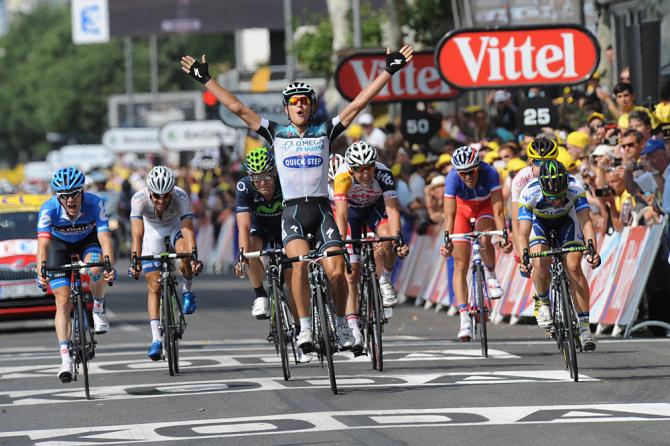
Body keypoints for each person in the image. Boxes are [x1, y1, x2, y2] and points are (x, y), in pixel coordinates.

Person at [181, 45, 414, 353]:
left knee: (336, 271)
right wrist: (206, 80)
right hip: (292, 213)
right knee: (299, 267)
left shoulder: (324, 131)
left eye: (304, 102)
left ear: (311, 106)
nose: (300, 106)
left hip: (321, 211)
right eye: (294, 103)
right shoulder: (276, 133)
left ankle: (343, 324)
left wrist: (389, 70)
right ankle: (305, 326)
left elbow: (358, 103)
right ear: (286, 109)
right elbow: (238, 108)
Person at [36, 167, 117, 383]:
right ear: (57, 197)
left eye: (74, 194)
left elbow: (105, 237)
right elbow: (43, 246)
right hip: (58, 246)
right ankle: (65, 360)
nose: (70, 200)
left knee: (96, 269)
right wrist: (41, 270)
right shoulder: (48, 209)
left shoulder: (95, 203)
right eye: (64, 196)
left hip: (87, 241)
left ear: (82, 192)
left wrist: (109, 264)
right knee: (62, 301)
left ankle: (98, 309)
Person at [333, 141, 410, 352]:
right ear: (351, 168)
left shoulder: (384, 174)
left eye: (369, 167)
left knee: (388, 238)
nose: (365, 173)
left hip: (375, 210)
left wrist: (398, 239)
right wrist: (341, 241)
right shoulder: (342, 177)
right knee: (352, 273)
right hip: (353, 215)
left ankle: (385, 278)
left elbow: (393, 210)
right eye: (359, 169)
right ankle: (353, 327)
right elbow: (341, 214)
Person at [517, 160, 601, 351]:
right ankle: (544, 302)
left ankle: (585, 328)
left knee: (573, 266)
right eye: (551, 196)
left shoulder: (575, 188)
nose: (555, 201)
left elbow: (586, 223)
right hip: (540, 223)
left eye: (559, 196)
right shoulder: (529, 193)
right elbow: (522, 233)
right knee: (539, 259)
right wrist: (524, 257)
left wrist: (592, 251)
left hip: (567, 221)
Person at [127, 166, 202, 361]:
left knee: (185, 253)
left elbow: (188, 231)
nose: (161, 201)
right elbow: (137, 234)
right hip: (151, 233)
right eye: (157, 196)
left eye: (166, 196)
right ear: (150, 192)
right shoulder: (138, 199)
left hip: (174, 228)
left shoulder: (181, 197)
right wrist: (135, 260)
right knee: (154, 285)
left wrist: (193, 255)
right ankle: (156, 340)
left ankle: (187, 290)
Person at [439, 145, 513, 341]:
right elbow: (449, 214)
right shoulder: (452, 178)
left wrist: (503, 235)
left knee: (484, 236)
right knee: (460, 264)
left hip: (486, 208)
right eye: (463, 173)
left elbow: (498, 211)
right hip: (462, 211)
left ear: (478, 167)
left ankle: (490, 274)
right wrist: (447, 239)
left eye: (470, 172)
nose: (467, 177)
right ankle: (464, 318)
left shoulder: (490, 173)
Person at [233, 147, 285, 319]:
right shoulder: (244, 186)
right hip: (259, 227)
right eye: (256, 177)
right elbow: (244, 227)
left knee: (293, 279)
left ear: (274, 172)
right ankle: (260, 295)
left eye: (266, 176)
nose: (262, 182)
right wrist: (242, 257)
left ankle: (300, 324)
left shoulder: (285, 181)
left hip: (284, 225)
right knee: (250, 252)